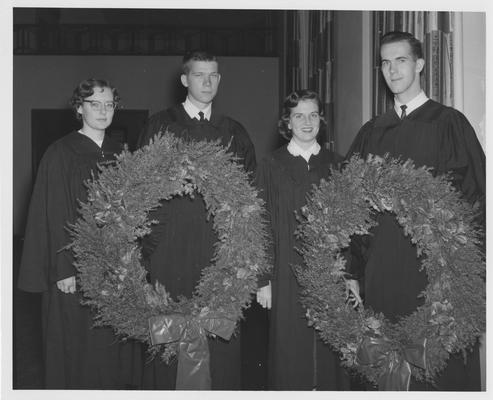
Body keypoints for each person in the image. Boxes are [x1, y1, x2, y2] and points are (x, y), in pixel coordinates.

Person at [346, 31, 485, 390]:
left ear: (420, 64)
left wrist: (464, 271)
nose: (392, 70)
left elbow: (474, 197)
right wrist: (354, 269)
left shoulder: (448, 124)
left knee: (437, 370)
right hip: (382, 270)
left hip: (433, 271)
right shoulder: (371, 132)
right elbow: (351, 206)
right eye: (385, 63)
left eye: (401, 60)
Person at [137, 50, 256, 390]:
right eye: (200, 75)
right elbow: (142, 193)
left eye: (214, 75)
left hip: (219, 250)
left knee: (220, 340)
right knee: (168, 342)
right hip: (169, 248)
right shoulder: (160, 126)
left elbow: (250, 201)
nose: (208, 82)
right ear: (185, 79)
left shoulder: (234, 132)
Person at [17, 78, 142, 389]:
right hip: (76, 270)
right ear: (79, 108)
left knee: (113, 345)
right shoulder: (60, 153)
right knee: (78, 348)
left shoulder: (122, 153)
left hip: (117, 269)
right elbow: (54, 213)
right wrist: (63, 268)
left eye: (109, 104)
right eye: (94, 104)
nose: (102, 111)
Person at [256, 89, 351, 390]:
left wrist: (350, 275)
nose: (306, 122)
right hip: (285, 270)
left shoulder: (338, 165)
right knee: (289, 350)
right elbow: (260, 223)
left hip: (329, 273)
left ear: (321, 120)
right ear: (287, 121)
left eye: (313, 115)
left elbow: (351, 227)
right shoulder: (271, 165)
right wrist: (262, 280)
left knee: (329, 349)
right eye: (299, 115)